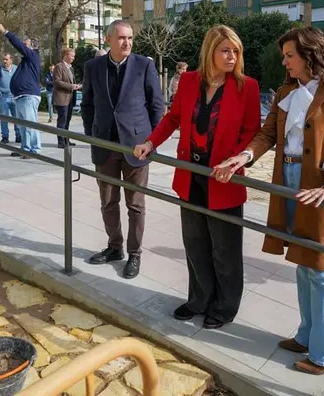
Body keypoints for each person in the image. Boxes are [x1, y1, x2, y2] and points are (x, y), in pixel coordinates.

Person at [213, 27, 324, 375]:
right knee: (302, 263)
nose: (284, 62)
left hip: (320, 189)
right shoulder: (285, 92)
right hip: (288, 182)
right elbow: (267, 134)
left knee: (321, 270)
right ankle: (307, 335)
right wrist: (244, 156)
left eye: (289, 55)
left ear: (310, 55)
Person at [133, 25, 260, 329]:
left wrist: (236, 159)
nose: (232, 56)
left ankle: (225, 307)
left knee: (225, 248)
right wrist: (151, 142)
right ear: (210, 51)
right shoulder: (189, 81)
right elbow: (173, 118)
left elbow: (251, 132)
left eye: (236, 51)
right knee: (195, 243)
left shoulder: (247, 86)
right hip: (191, 175)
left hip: (224, 178)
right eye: (225, 50)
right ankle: (199, 299)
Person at [81, 20, 165, 279]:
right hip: (105, 146)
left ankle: (135, 253)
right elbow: (87, 105)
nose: (127, 42)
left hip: (137, 148)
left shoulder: (144, 65)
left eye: (129, 38)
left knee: (135, 204)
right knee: (108, 202)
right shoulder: (93, 67)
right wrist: (93, 135)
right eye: (121, 38)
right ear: (108, 40)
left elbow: (156, 105)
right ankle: (114, 247)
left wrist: (151, 141)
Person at [0, 21, 43, 158]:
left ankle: (34, 150)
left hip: (28, 95)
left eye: (26, 45)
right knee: (23, 125)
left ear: (32, 47)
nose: (23, 48)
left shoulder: (33, 56)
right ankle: (25, 148)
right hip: (21, 96)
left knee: (29, 124)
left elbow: (18, 45)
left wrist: (6, 32)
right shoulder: (26, 61)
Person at [53, 48, 82, 148]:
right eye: (72, 56)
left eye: (74, 56)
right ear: (65, 55)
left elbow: (71, 81)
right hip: (62, 98)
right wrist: (71, 86)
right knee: (62, 121)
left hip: (70, 98)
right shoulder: (59, 66)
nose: (73, 58)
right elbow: (57, 82)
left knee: (67, 120)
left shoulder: (71, 68)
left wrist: (76, 86)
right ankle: (61, 142)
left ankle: (66, 140)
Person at [0, 53, 21, 146]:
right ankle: (5, 137)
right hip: (4, 97)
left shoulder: (17, 69)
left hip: (15, 97)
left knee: (17, 118)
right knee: (4, 118)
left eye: (6, 59)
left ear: (11, 60)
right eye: (3, 59)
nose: (4, 61)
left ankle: (19, 136)